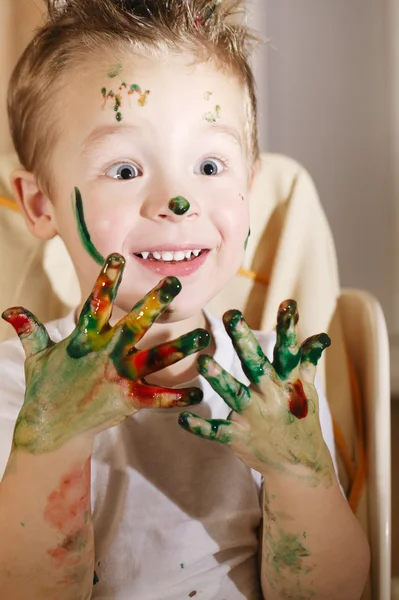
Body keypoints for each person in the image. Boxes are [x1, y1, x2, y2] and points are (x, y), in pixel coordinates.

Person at [0, 1, 369, 599]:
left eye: (208, 164)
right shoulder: (17, 389)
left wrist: (302, 476)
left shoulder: (276, 389)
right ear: (40, 206)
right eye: (123, 170)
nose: (177, 200)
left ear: (248, 186)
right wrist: (50, 447)